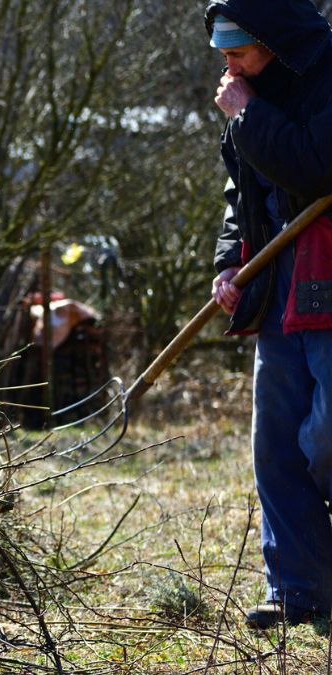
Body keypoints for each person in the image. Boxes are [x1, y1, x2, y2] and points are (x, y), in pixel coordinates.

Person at [206, 0, 332, 630]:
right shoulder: (244, 96)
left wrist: (249, 114)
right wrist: (230, 262)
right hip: (280, 275)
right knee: (275, 440)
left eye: (238, 49)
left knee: (328, 433)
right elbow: (243, 194)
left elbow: (314, 166)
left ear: (276, 41)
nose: (227, 65)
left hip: (330, 266)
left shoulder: (324, 79)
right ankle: (297, 586)